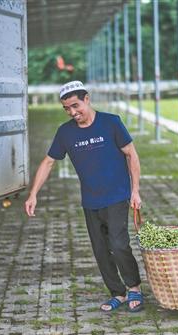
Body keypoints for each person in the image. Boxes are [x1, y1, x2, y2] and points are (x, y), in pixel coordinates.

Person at [24, 81, 144, 312]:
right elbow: (49, 162)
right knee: (100, 249)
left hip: (118, 195)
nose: (72, 112)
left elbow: (131, 154)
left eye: (75, 105)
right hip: (90, 200)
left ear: (87, 99)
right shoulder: (65, 132)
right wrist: (33, 195)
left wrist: (135, 190)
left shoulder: (111, 122)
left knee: (119, 244)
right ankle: (117, 293)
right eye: (67, 108)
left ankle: (134, 288)